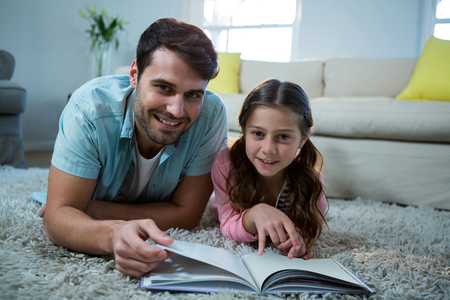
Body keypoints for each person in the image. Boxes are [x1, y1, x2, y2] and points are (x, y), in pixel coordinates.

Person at [38, 18, 227, 277]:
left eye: (193, 94)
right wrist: (113, 233)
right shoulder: (89, 109)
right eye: (164, 87)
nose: (176, 110)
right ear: (134, 75)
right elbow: (56, 221)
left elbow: (188, 215)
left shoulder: (211, 114)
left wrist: (90, 209)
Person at [209, 79, 328, 260]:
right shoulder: (226, 164)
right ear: (243, 129)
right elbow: (227, 224)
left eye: (283, 136)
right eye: (258, 134)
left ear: (303, 139)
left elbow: (312, 228)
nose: (268, 149)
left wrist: (296, 240)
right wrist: (254, 215)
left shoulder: (311, 181)